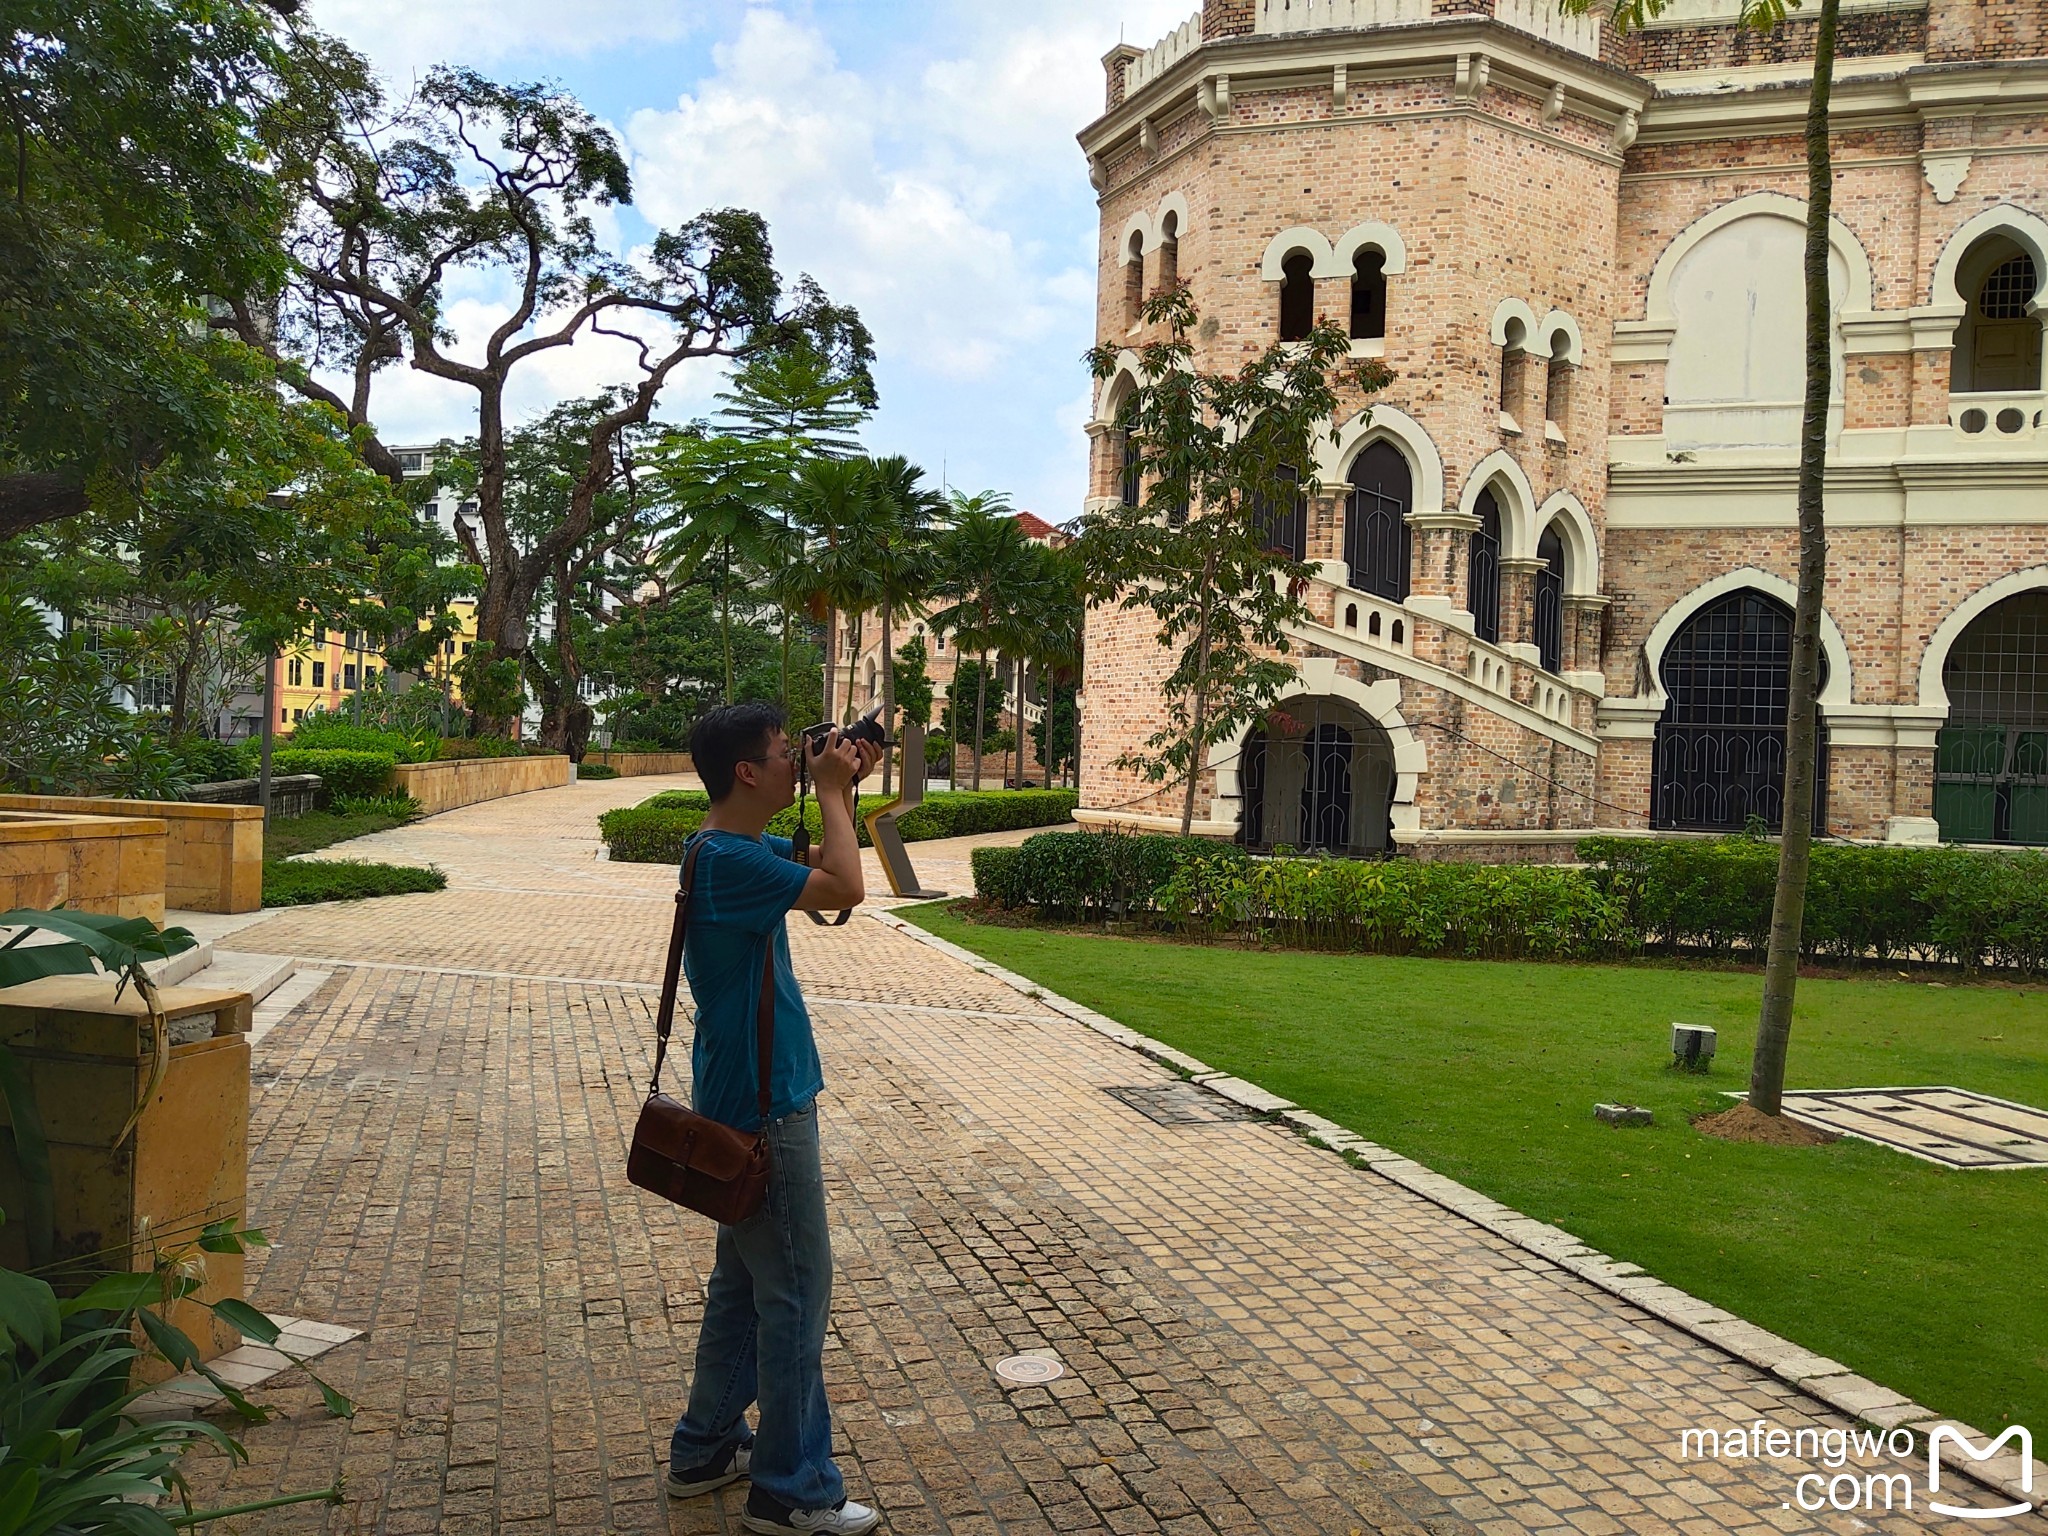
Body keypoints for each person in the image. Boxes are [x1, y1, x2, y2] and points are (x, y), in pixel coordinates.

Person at [664, 702, 884, 1536]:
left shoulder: (721, 849)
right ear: (747, 773)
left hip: (738, 1091)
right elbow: (848, 886)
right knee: (795, 1292)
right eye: (786, 755)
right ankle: (792, 1489)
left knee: (744, 1286)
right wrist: (829, 790)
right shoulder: (728, 859)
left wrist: (841, 788)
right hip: (765, 1102)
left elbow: (829, 864)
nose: (798, 763)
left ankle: (707, 1446)